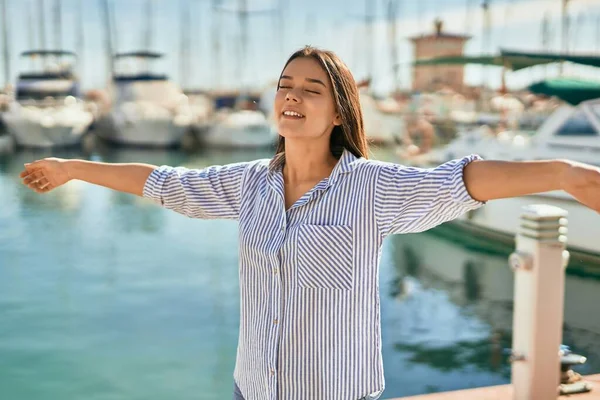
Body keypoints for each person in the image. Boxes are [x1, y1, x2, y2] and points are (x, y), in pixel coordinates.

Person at [19, 46, 600, 400]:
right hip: (251, 389)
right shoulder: (249, 184)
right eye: (284, 87)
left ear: (339, 110)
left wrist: (568, 174)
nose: (292, 97)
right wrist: (73, 167)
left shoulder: (372, 188)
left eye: (311, 89)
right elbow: (166, 184)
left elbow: (460, 178)